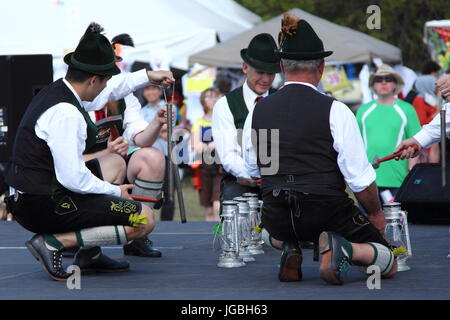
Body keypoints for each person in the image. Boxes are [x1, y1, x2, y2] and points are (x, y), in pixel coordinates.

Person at [4, 24, 174, 281]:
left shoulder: (60, 89)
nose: (108, 86)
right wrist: (117, 192)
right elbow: (73, 178)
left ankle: (90, 254)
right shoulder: (66, 113)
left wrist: (147, 75)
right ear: (94, 79)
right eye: (106, 79)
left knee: (115, 165)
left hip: (35, 193)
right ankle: (53, 241)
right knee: (143, 219)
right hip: (41, 204)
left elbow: (112, 90)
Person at [245, 14, 397, 285]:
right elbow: (358, 179)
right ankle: (346, 248)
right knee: (388, 261)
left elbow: (253, 168)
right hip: (327, 213)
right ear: (322, 67)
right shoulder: (335, 110)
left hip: (278, 215)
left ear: (281, 66)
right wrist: (374, 213)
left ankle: (291, 246)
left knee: (266, 230)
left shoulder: (258, 110)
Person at [84, 32, 166, 258]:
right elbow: (63, 163)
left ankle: (138, 232)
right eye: (106, 69)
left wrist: (157, 123)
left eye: (113, 67)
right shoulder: (72, 98)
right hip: (77, 174)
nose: (111, 73)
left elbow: (139, 137)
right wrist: (107, 152)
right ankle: (83, 242)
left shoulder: (122, 95)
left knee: (153, 157)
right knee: (114, 162)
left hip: (115, 166)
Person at [212, 33, 280, 202]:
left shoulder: (281, 99)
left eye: (271, 73)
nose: (266, 79)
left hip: (280, 179)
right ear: (244, 67)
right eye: (260, 72)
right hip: (241, 180)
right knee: (234, 202)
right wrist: (257, 178)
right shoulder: (225, 104)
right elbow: (229, 155)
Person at [356, 64, 421, 203]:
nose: (383, 82)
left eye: (388, 79)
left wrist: (411, 173)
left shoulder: (407, 110)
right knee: (370, 223)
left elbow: (417, 144)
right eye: (378, 79)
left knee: (398, 223)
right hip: (368, 181)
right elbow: (355, 144)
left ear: (395, 85)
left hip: (398, 181)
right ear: (373, 85)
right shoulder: (363, 111)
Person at [190, 88, 222, 221]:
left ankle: (220, 230)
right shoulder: (199, 122)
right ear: (203, 101)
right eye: (209, 97)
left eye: (216, 97)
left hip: (220, 166)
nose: (213, 100)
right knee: (208, 207)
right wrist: (204, 146)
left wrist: (214, 144)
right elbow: (196, 146)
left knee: (217, 204)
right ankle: (210, 235)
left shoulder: (223, 121)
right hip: (204, 166)